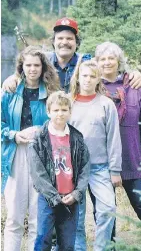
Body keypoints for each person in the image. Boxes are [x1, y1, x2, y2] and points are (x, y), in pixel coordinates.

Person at [1, 45, 60, 251]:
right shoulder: (9, 91)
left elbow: (61, 123)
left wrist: (43, 133)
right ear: (21, 66)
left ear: (43, 68)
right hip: (15, 154)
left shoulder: (52, 93)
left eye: (37, 65)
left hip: (43, 157)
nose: (32, 69)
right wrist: (14, 135)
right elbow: (1, 124)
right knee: (14, 217)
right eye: (28, 65)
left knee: (38, 217)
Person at [70, 59, 122, 251]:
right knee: (76, 214)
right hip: (74, 168)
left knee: (108, 209)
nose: (88, 79)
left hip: (100, 167)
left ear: (98, 79)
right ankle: (79, 248)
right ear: (77, 77)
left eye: (93, 76)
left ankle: (101, 247)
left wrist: (115, 170)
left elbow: (114, 138)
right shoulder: (69, 102)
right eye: (84, 75)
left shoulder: (106, 104)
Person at [27, 90, 90, 251]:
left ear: (70, 112)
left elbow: (84, 168)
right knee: (43, 239)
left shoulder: (77, 137)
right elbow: (37, 172)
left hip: (71, 199)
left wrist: (77, 193)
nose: (60, 114)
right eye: (55, 110)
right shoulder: (39, 138)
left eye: (64, 110)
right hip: (48, 199)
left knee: (67, 243)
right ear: (48, 112)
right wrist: (54, 197)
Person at [95, 41, 141, 220]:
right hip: (103, 161)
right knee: (105, 215)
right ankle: (110, 248)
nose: (107, 62)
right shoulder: (93, 88)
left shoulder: (135, 86)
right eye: (102, 59)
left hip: (133, 158)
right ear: (97, 63)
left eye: (111, 58)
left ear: (118, 60)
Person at [2, 17, 91, 93]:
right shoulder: (43, 59)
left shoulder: (85, 62)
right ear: (53, 42)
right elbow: (23, 72)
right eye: (60, 38)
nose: (64, 42)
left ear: (77, 42)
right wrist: (13, 78)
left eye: (69, 38)